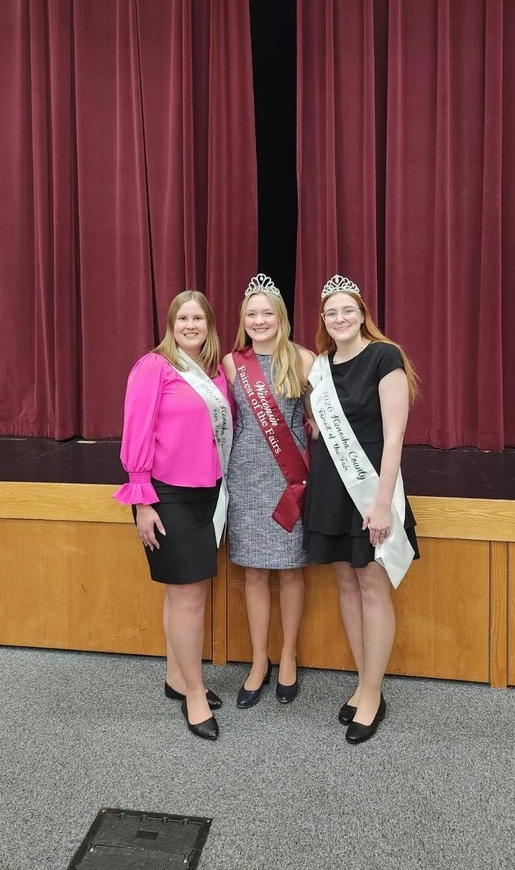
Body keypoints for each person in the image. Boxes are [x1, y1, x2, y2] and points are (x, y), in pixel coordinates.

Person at [303, 274, 420, 744]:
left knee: (373, 585)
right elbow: (318, 426)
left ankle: (372, 694)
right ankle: (362, 682)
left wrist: (383, 503)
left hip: (371, 483)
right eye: (331, 313)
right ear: (324, 321)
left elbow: (394, 437)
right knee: (346, 584)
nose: (339, 318)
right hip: (332, 486)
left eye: (347, 310)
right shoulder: (322, 367)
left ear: (362, 313)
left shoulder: (384, 356)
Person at [113, 290, 233, 741]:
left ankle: (176, 678)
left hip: (206, 495)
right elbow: (136, 431)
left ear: (209, 324)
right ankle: (196, 694)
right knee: (189, 597)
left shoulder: (215, 371)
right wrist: (142, 501)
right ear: (170, 323)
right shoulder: (154, 367)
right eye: (183, 318)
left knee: (182, 595)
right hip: (166, 497)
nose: (190, 325)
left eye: (198, 318)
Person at [222, 274, 314, 708]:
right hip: (246, 477)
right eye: (252, 314)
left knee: (291, 570)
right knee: (254, 571)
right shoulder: (230, 363)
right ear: (244, 319)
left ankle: (289, 654)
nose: (260, 320)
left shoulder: (303, 361)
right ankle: (259, 660)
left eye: (267, 313)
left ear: (281, 317)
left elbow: (322, 418)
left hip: (288, 481)